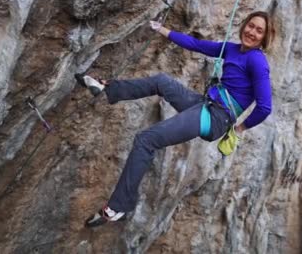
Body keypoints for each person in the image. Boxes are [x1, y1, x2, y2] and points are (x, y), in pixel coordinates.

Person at [76, 11, 276, 227]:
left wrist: (239, 129)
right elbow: (196, 44)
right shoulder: (232, 49)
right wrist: (162, 30)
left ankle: (118, 208)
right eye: (250, 26)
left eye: (259, 31)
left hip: (216, 117)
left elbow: (265, 107)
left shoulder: (257, 61)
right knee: (162, 82)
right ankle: (108, 89)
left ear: (264, 38)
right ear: (244, 25)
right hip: (204, 105)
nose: (252, 32)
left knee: (146, 140)